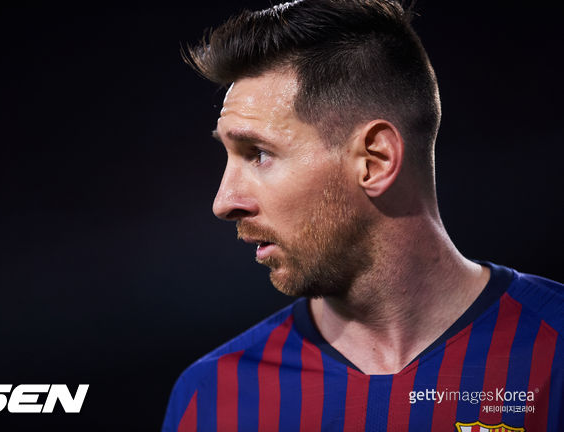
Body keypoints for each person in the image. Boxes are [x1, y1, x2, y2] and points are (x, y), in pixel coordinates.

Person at [163, 1, 564, 430]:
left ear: (375, 160)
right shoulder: (212, 397)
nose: (224, 201)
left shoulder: (555, 349)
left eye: (258, 154)